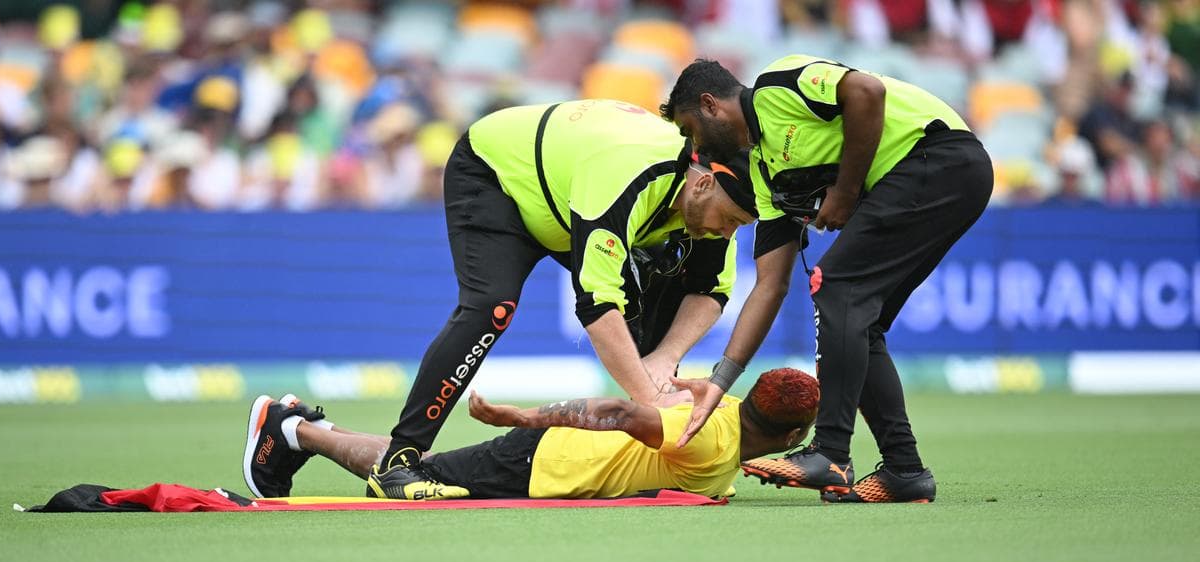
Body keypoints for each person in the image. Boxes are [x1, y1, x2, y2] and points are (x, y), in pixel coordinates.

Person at [366, 99, 759, 500]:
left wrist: (663, 359)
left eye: (738, 226)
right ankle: (398, 462)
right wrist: (650, 396)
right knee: (492, 306)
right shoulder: (630, 177)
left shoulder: (711, 201)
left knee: (661, 289)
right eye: (728, 220)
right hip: (498, 177)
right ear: (704, 184)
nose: (727, 233)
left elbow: (710, 291)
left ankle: (644, 450)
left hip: (568, 198)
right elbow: (596, 303)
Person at [659, 56, 994, 503]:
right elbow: (769, 284)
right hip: (938, 177)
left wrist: (846, 192)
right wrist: (720, 383)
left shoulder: (776, 87)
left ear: (710, 105)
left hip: (940, 157)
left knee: (836, 287)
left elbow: (866, 92)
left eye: (690, 130)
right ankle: (904, 470)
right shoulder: (764, 174)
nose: (694, 148)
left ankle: (831, 453)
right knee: (859, 321)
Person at [239, 368, 817, 501]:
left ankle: (302, 428)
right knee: (414, 478)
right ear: (794, 435)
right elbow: (617, 410)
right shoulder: (710, 437)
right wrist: (524, 417)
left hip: (555, 461)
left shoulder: (727, 417)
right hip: (548, 461)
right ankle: (295, 431)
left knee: (429, 466)